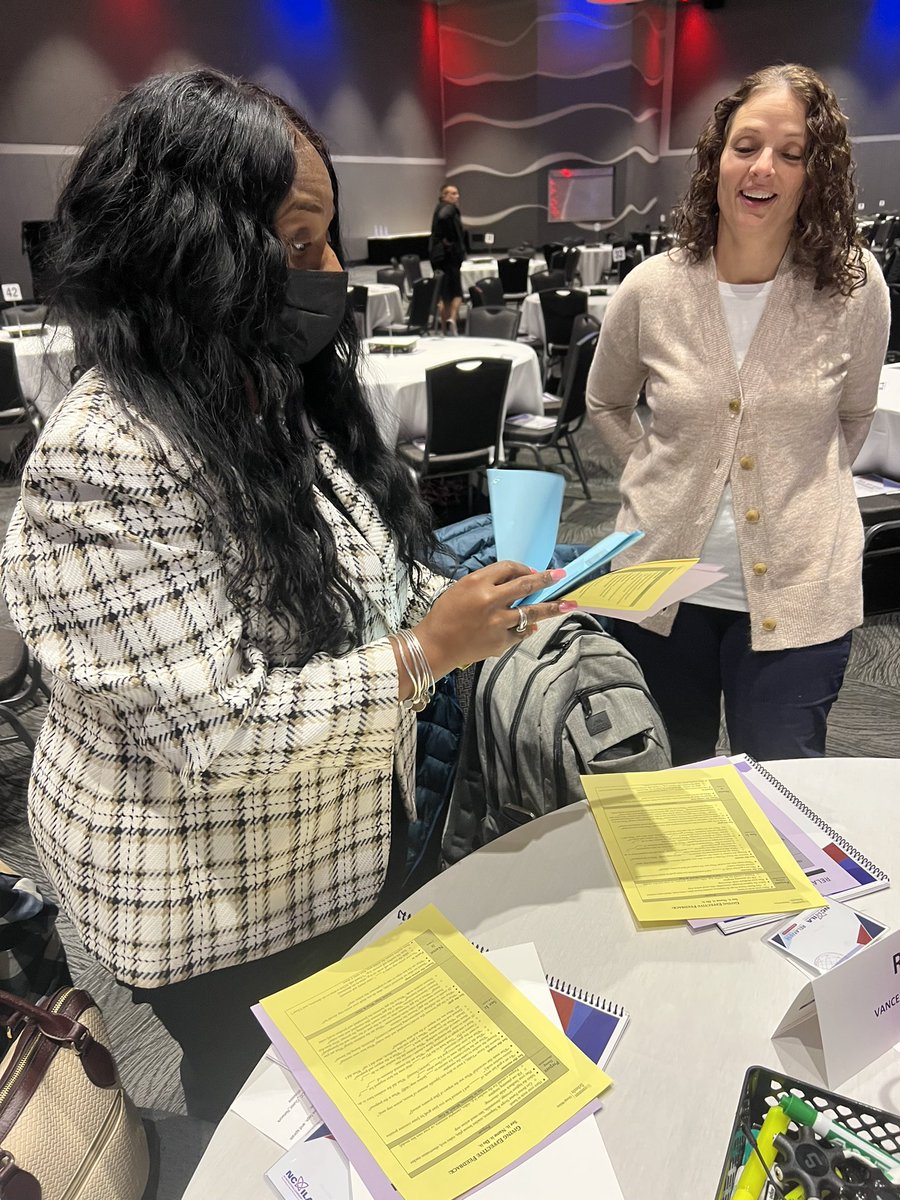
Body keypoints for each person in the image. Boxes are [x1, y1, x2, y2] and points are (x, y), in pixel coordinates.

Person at [0, 68, 570, 1119]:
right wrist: (425, 654)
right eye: (297, 240)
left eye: (326, 239)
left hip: (332, 850)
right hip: (214, 907)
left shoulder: (263, 392)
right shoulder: (108, 452)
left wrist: (465, 599)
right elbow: (214, 733)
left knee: (361, 1091)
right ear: (190, 245)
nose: (324, 271)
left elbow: (370, 570)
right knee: (269, 1117)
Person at [586, 63, 890, 766]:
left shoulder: (852, 286)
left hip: (802, 594)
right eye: (747, 145)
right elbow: (604, 402)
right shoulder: (652, 289)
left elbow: (852, 419)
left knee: (786, 791)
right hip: (657, 593)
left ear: (818, 173)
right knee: (665, 793)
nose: (764, 169)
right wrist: (657, 475)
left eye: (792, 153)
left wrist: (800, 492)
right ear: (716, 155)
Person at [429, 182, 469, 332]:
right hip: (449, 256)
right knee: (456, 292)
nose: (456, 196)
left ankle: (444, 327)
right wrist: (451, 240)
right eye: (452, 193)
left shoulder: (437, 208)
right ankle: (452, 318)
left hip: (438, 256)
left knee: (443, 292)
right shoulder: (449, 209)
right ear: (443, 195)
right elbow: (444, 217)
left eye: (457, 193)